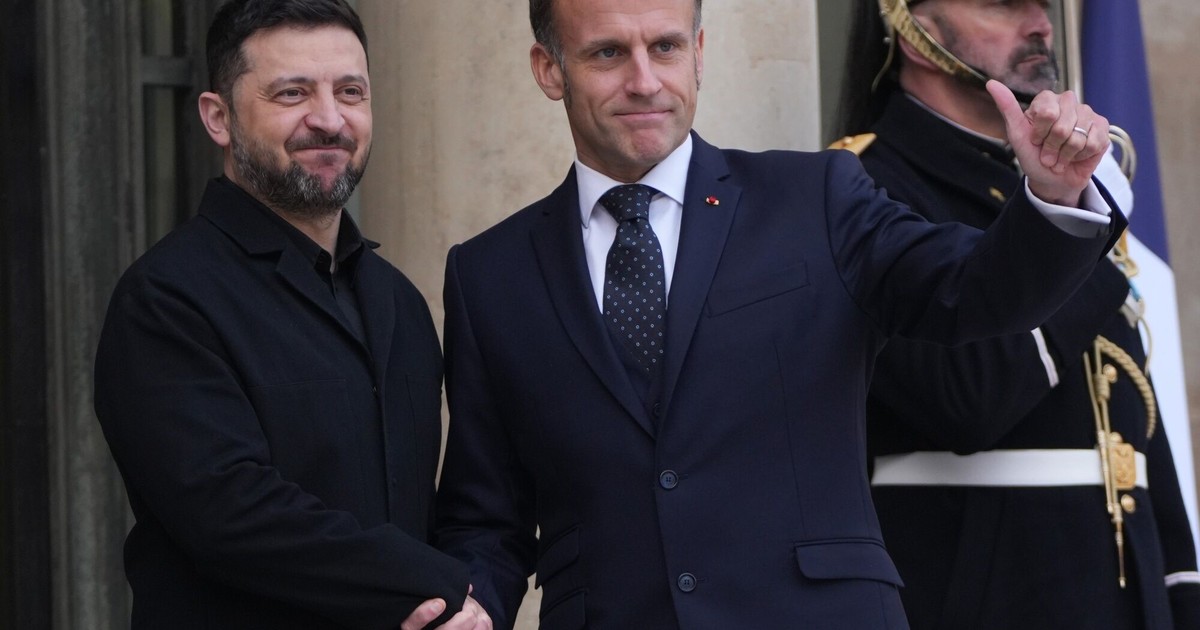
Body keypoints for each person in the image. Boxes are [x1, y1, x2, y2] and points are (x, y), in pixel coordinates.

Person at [432, 0, 1129, 627]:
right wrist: (473, 602)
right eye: (608, 53)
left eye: (665, 47)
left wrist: (1050, 199)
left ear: (699, 53)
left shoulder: (816, 197)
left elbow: (971, 291)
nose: (644, 81)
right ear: (548, 69)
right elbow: (484, 516)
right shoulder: (489, 273)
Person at [93, 1, 491, 628]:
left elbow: (445, 503)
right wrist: (434, 586)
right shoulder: (166, 300)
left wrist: (471, 601)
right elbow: (231, 516)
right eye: (292, 93)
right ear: (218, 117)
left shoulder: (399, 301)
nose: (329, 119)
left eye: (350, 92)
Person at [834, 0, 1200, 628]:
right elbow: (966, 397)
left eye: (1042, 4)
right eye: (1001, 4)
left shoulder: (1056, 191)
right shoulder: (863, 188)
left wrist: (1182, 593)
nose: (1039, 24)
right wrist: (1072, 228)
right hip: (985, 595)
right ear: (916, 33)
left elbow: (1131, 432)